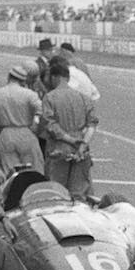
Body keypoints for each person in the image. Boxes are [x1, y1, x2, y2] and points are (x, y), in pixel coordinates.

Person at [40, 60, 98, 198]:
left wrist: (70, 140)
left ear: (55, 77)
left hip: (59, 147)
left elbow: (51, 125)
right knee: (79, 193)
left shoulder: (50, 97)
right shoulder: (83, 98)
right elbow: (92, 124)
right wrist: (83, 143)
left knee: (56, 192)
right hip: (81, 149)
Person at [0, 66, 44, 173]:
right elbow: (42, 110)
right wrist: (36, 124)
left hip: (6, 134)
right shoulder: (29, 94)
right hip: (26, 132)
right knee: (34, 170)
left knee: (11, 171)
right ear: (23, 81)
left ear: (9, 77)